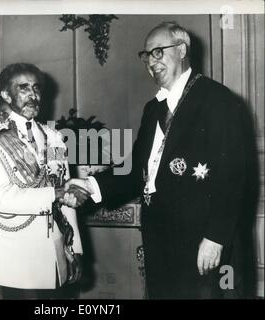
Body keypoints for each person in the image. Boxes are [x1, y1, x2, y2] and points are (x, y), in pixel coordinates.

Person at [65, 22, 248, 299]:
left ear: (182, 50)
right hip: (159, 237)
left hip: (202, 241)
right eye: (147, 55)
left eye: (159, 52)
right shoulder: (153, 109)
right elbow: (138, 170)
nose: (151, 62)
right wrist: (90, 184)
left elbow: (232, 177)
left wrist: (215, 238)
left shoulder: (217, 100)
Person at [0, 63, 83, 299]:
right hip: (12, 250)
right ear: (6, 94)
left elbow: (65, 192)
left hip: (53, 248)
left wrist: (74, 248)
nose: (33, 95)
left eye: (36, 88)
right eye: (23, 88)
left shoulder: (54, 139)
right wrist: (55, 193)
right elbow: (1, 199)